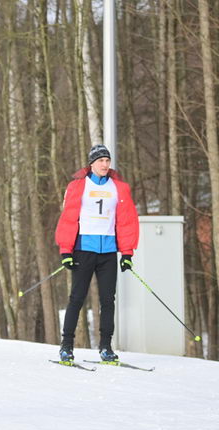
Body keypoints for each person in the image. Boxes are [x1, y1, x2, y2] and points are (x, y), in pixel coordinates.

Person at [54, 144, 139, 362]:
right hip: (84, 249)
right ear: (91, 164)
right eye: (100, 160)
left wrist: (127, 253)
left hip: (109, 251)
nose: (105, 164)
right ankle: (66, 346)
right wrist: (66, 250)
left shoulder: (119, 187)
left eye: (107, 160)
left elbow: (127, 221)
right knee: (77, 298)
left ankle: (105, 347)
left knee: (108, 300)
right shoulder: (78, 186)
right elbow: (68, 219)